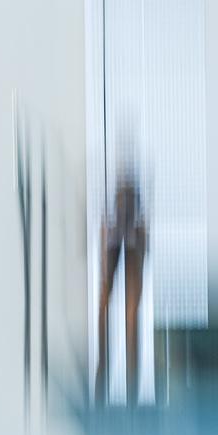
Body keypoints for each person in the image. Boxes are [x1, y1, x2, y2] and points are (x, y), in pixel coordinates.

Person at [95, 134, 146, 407]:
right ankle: (105, 381)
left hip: (129, 241)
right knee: (110, 307)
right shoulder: (113, 220)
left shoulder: (135, 220)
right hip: (119, 241)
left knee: (130, 312)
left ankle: (129, 388)